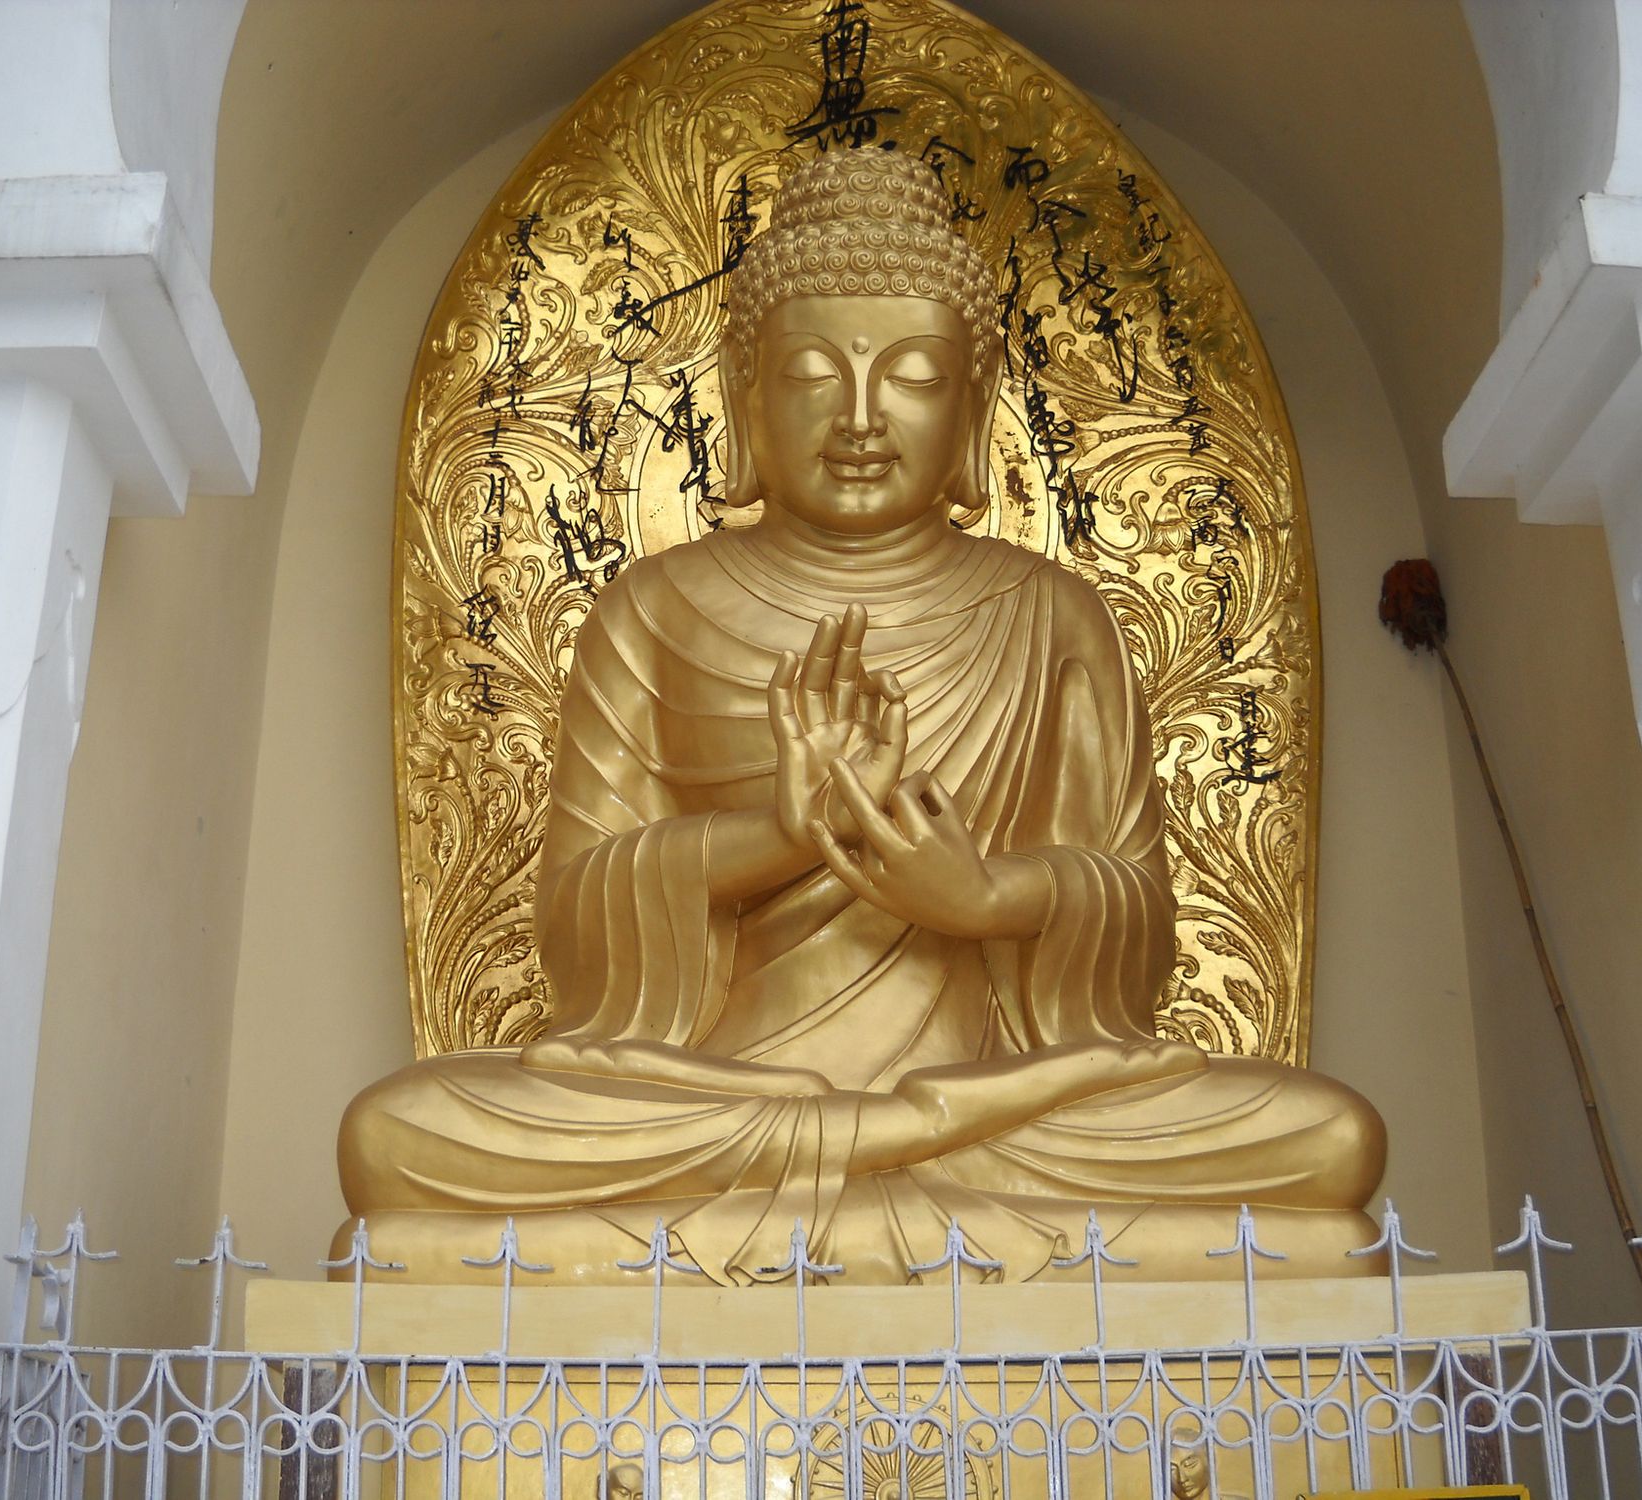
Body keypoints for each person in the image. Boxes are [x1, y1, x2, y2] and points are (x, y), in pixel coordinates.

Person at [336, 148, 1385, 1285]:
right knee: (396, 1138)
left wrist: (983, 897)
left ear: (973, 404)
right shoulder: (652, 609)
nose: (860, 415)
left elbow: (1130, 937)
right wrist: (777, 839)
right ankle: (876, 1156)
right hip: (718, 1105)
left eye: (915, 374)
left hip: (1002, 1108)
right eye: (809, 372)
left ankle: (874, 1157)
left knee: (1330, 1144)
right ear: (744, 395)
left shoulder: (1051, 614)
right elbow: (580, 923)